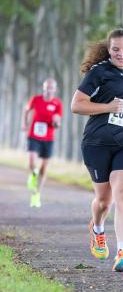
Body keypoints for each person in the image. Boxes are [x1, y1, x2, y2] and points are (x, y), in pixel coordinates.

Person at [71, 28, 123, 272]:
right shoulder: (99, 73)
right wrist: (108, 107)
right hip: (98, 143)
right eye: (116, 49)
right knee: (104, 202)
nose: (121, 53)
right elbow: (76, 105)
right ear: (109, 50)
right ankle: (97, 229)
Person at [22, 78, 63, 208]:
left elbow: (58, 123)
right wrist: (24, 123)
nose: (48, 90)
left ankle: (36, 195)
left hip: (48, 138)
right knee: (32, 162)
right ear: (43, 88)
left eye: (51, 88)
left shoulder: (57, 104)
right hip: (34, 135)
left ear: (54, 90)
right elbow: (26, 109)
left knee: (44, 168)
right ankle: (32, 175)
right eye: (46, 88)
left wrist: (56, 123)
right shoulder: (36, 99)